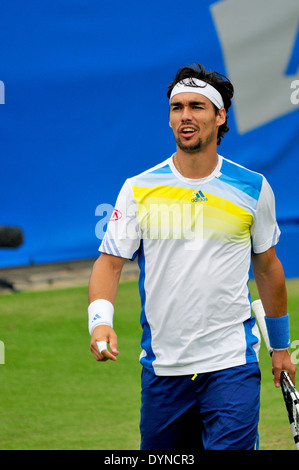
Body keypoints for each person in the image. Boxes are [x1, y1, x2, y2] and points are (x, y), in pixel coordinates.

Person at [88, 63, 296, 450]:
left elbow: (267, 269)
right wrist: (99, 322)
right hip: (162, 369)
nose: (185, 115)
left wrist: (281, 348)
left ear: (220, 117)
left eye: (197, 106)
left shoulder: (253, 188)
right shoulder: (137, 189)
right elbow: (110, 262)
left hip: (232, 363)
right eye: (176, 107)